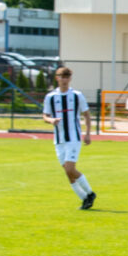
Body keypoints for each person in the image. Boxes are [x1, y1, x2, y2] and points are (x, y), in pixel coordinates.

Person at [42, 66, 96, 209]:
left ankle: (90, 193)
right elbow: (45, 115)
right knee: (67, 172)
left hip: (73, 138)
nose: (64, 80)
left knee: (70, 169)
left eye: (67, 77)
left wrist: (88, 133)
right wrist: (51, 120)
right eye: (62, 77)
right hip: (59, 140)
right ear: (57, 78)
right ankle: (84, 198)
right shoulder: (50, 97)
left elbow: (86, 114)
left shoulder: (77, 95)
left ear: (70, 79)